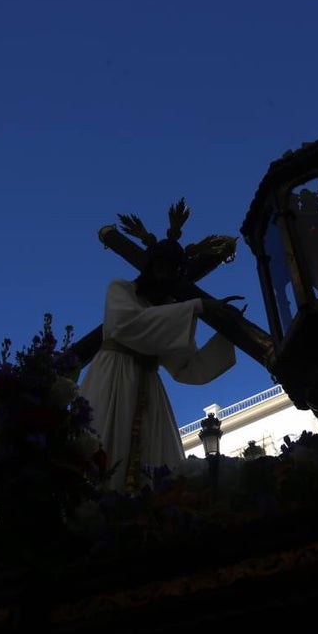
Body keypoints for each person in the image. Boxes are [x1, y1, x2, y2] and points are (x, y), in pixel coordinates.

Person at [81, 201, 240, 492]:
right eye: (162, 268)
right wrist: (198, 307)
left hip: (150, 388)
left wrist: (227, 334)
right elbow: (126, 325)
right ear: (150, 267)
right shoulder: (121, 289)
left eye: (173, 271)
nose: (166, 276)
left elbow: (186, 367)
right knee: (104, 445)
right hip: (113, 377)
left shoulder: (171, 316)